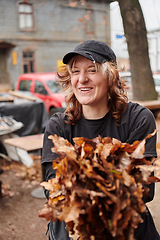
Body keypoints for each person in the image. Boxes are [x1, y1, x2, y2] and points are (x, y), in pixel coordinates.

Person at [41, 40, 160, 240]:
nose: (82, 79)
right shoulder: (59, 126)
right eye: (75, 71)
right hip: (75, 233)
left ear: (110, 76)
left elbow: (144, 190)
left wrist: (81, 179)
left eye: (92, 70)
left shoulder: (138, 119)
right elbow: (54, 190)